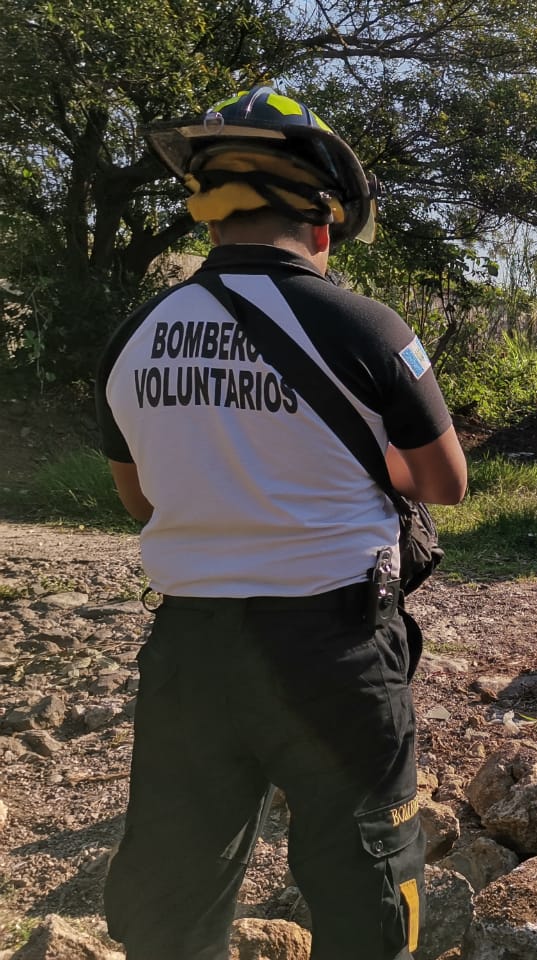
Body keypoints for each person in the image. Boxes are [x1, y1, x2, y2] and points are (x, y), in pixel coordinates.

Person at [95, 86, 467, 960]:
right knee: (367, 894)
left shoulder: (135, 335)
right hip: (333, 654)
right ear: (324, 224)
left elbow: (141, 499)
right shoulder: (368, 327)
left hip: (191, 654)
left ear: (209, 216)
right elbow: (445, 482)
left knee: (172, 902)